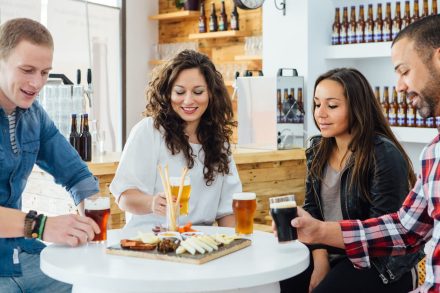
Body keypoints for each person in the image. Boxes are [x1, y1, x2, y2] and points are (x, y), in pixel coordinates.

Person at [284, 14, 440, 293]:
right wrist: (317, 232)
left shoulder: (383, 153)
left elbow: (392, 243)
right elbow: (404, 230)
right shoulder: (434, 153)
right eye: (317, 104)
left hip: (377, 267)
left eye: (404, 71)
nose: (399, 86)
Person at [0, 18, 100, 292]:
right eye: (27, 70)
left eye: (45, 72)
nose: (37, 83)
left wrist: (94, 216)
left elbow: (77, 174)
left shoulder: (34, 116)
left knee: (93, 284)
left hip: (20, 256)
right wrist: (40, 225)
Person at [110, 50, 241, 229]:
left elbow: (228, 211)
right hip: (150, 240)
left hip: (198, 243)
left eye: (198, 91)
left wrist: (234, 244)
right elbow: (124, 197)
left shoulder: (219, 143)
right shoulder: (150, 130)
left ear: (211, 94)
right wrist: (152, 203)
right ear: (168, 94)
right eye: (179, 92)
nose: (188, 100)